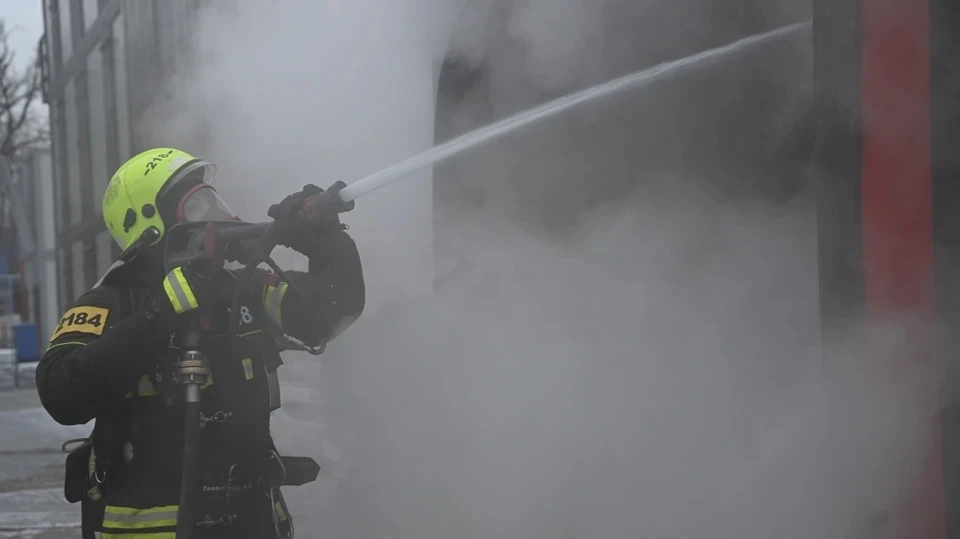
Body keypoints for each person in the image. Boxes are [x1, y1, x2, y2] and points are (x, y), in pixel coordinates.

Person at [35, 148, 365, 538]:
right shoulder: (113, 302)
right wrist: (160, 316)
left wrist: (323, 240)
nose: (216, 215)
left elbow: (331, 310)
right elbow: (61, 392)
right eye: (196, 206)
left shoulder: (240, 292)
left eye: (213, 200)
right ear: (150, 225)